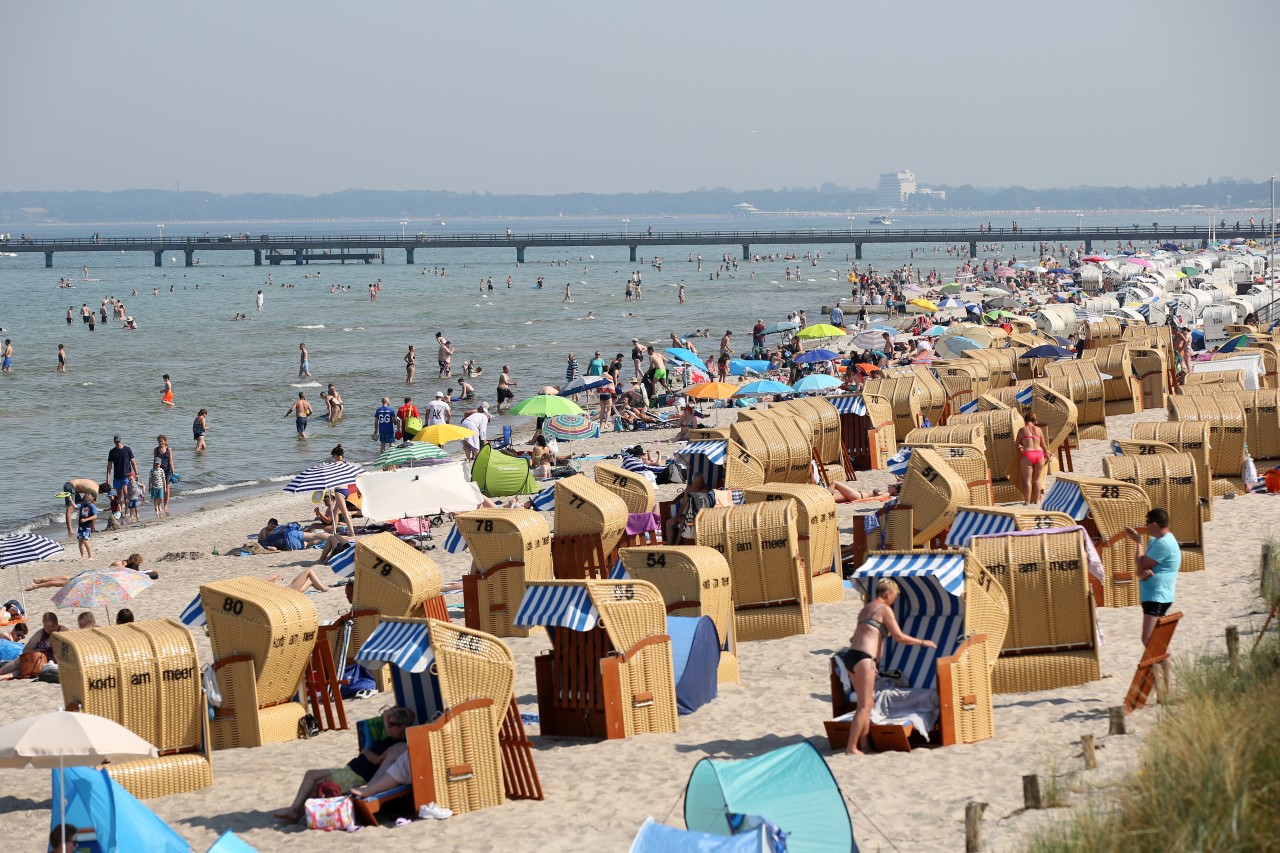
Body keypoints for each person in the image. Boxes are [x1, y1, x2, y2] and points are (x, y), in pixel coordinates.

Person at [844, 579, 937, 755]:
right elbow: (899, 636)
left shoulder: (865, 609)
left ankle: (864, 745)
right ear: (888, 593)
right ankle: (851, 747)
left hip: (852, 657)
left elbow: (856, 637)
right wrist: (924, 642)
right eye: (894, 596)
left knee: (867, 703)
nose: (894, 600)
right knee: (864, 706)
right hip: (864, 658)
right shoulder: (885, 609)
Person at [273, 706, 415, 822]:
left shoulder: (399, 745)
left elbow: (378, 760)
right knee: (310, 774)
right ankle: (295, 810)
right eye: (388, 724)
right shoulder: (389, 736)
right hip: (351, 769)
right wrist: (393, 712)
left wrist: (365, 752)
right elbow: (385, 715)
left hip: (359, 776)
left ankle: (298, 813)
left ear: (402, 727)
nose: (388, 727)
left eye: (392, 725)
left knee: (320, 783)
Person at [1126, 508, 1181, 646]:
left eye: (1148, 522)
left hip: (1158, 597)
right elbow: (1140, 570)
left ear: (1155, 524)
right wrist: (1142, 572)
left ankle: (1163, 668)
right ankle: (1160, 667)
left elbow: (1142, 564)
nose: (1146, 525)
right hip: (1153, 596)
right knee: (1153, 640)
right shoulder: (1155, 541)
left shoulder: (1164, 543)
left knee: (1149, 639)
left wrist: (1138, 542)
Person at [0, 612, 66, 679]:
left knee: (27, 666)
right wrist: (36, 650)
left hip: (55, 661)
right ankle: (1, 673)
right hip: (40, 660)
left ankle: (3, 676)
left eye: (51, 626)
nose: (49, 629)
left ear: (57, 624)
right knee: (22, 660)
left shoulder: (62, 631)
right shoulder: (41, 633)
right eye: (46, 627)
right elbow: (26, 650)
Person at [1016, 411, 1047, 504]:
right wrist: (1047, 454)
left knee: (1027, 480)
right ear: (1034, 420)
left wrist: (1021, 449)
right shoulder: (1038, 430)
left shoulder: (1022, 430)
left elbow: (1016, 445)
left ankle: (1027, 501)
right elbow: (1044, 446)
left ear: (1025, 420)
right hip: (1039, 454)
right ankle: (1037, 501)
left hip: (1028, 455)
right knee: (1037, 480)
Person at [106, 436, 137, 502]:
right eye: (116, 442)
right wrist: (108, 476)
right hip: (117, 476)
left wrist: (136, 473)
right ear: (114, 442)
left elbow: (133, 461)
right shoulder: (112, 452)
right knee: (119, 495)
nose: (118, 443)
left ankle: (126, 511)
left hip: (127, 475)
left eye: (119, 441)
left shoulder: (127, 449)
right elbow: (109, 465)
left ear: (121, 441)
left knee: (126, 492)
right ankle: (120, 510)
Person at [153, 435, 176, 516]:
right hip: (159, 471)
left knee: (167, 488)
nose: (161, 443)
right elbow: (154, 461)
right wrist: (153, 471)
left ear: (165, 441)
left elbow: (171, 461)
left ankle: (165, 505)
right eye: (159, 441)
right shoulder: (156, 450)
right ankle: (158, 505)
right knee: (160, 488)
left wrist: (173, 471)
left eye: (162, 441)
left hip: (167, 470)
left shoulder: (168, 449)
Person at [75, 492, 96, 558]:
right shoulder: (81, 505)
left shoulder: (92, 506)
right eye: (85, 497)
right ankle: (82, 556)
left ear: (92, 498)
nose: (86, 498)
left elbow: (95, 516)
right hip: (81, 526)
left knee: (85, 540)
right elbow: (75, 506)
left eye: (88, 497)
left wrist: (86, 520)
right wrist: (70, 499)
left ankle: (90, 556)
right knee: (80, 541)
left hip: (87, 526)